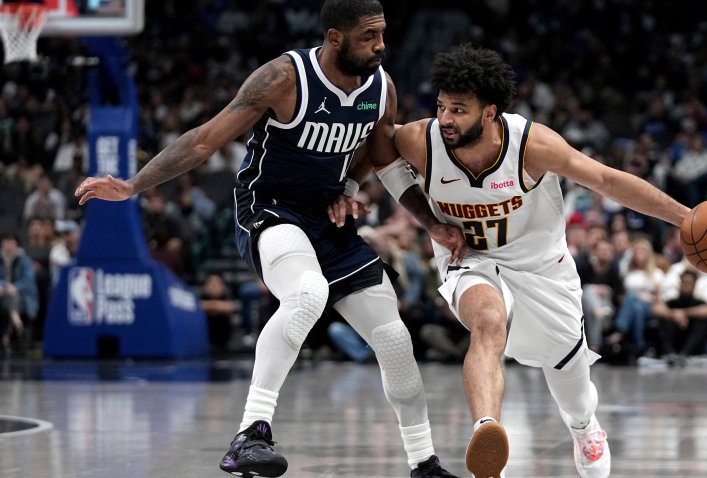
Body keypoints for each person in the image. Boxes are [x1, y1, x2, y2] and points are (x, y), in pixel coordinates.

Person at [75, 1, 464, 477]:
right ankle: (250, 435)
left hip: (328, 219)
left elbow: (380, 156)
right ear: (335, 37)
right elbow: (203, 140)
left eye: (383, 34)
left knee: (394, 338)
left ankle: (423, 462)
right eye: (368, 36)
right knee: (307, 294)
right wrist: (134, 186)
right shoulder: (284, 78)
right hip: (269, 208)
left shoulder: (380, 88)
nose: (381, 45)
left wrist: (400, 209)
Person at [391, 45, 691, 478]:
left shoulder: (532, 145)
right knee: (487, 321)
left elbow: (607, 180)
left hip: (542, 269)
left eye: (458, 109)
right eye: (441, 106)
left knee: (572, 387)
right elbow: (379, 155)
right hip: (471, 259)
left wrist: (684, 217)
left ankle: (585, 427)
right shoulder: (421, 141)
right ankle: (487, 431)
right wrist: (418, 216)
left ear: (490, 112)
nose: (445, 119)